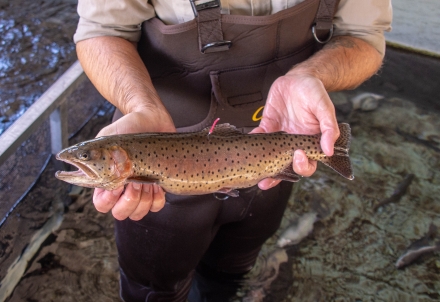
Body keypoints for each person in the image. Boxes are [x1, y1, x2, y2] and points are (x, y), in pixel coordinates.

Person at [74, 0, 392, 300]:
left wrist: (310, 75)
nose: (81, 160)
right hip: (162, 148)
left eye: (86, 156)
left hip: (274, 157)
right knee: (154, 291)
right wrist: (140, 105)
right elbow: (102, 31)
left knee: (231, 276)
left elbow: (364, 37)